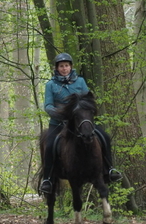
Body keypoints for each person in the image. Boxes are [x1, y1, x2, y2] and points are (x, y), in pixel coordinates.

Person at [40, 52, 121, 194]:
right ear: (57, 68)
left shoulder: (80, 82)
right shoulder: (51, 85)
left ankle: (109, 169)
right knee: (50, 146)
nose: (64, 68)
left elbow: (88, 100)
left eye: (66, 66)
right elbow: (48, 106)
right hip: (58, 123)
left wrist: (85, 113)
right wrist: (61, 115)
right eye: (61, 66)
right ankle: (47, 180)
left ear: (71, 67)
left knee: (105, 137)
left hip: (81, 122)